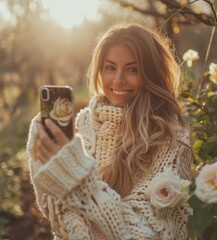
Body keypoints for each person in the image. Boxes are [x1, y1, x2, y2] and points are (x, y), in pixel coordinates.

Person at [27, 22, 192, 240]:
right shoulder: (85, 124)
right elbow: (60, 220)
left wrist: (76, 178)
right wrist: (42, 160)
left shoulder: (170, 138)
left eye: (132, 69)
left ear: (151, 74)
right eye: (110, 67)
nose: (118, 80)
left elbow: (146, 233)